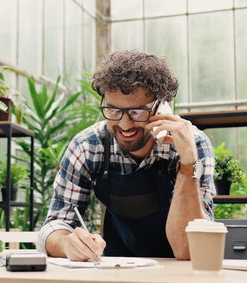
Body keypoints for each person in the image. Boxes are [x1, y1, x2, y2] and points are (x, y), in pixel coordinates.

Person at [37, 50, 215, 261]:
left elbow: (189, 249)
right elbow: (54, 226)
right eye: (113, 111)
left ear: (161, 107)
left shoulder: (192, 145)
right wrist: (68, 243)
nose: (124, 124)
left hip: (179, 271)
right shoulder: (88, 146)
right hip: (117, 268)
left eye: (137, 112)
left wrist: (188, 164)